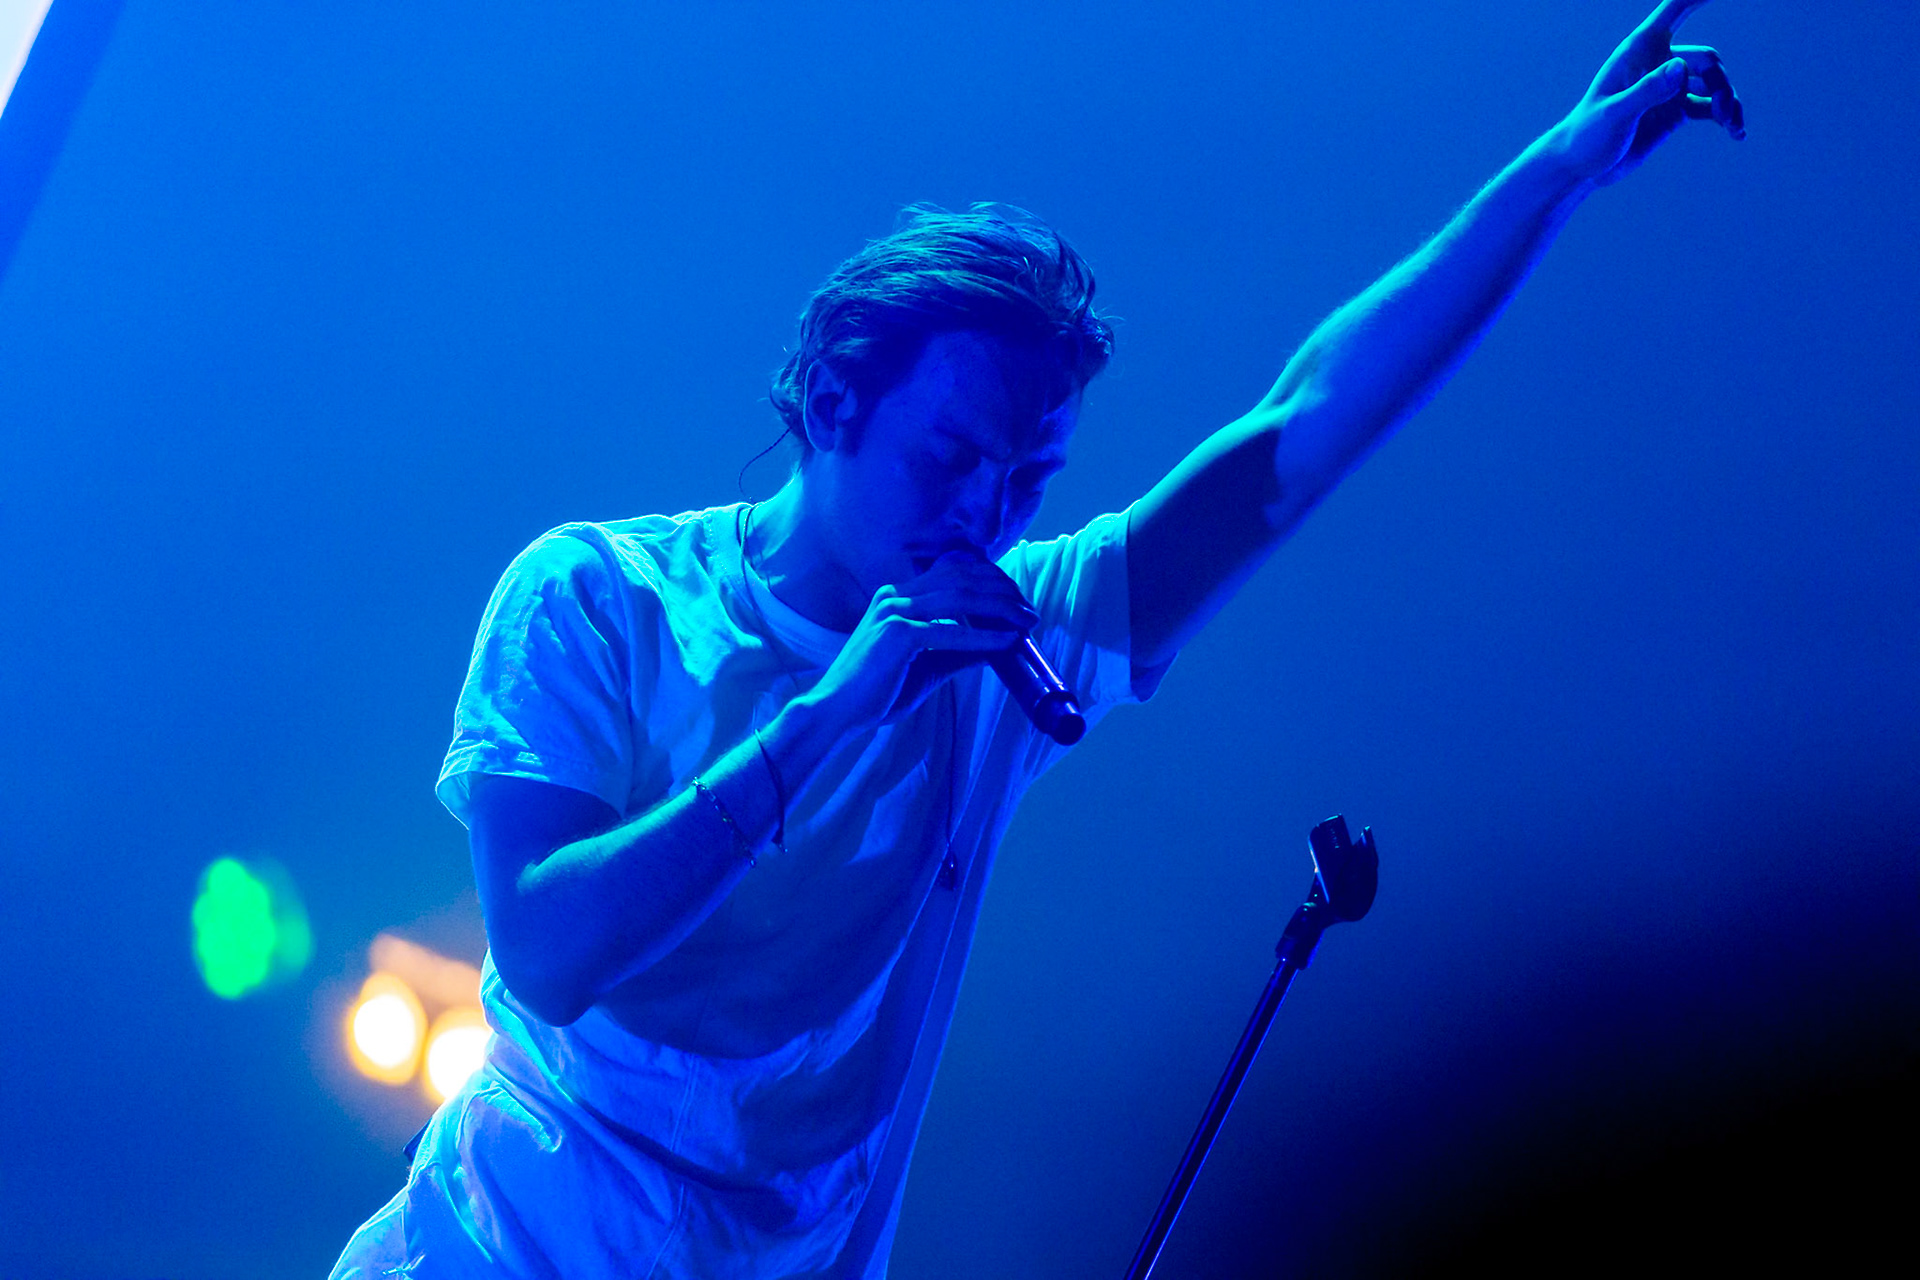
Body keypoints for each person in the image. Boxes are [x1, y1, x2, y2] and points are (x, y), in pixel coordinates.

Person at [331, 3, 1744, 1275]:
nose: (988, 516)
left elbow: (1298, 435)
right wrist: (836, 710)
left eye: (1027, 481)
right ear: (833, 403)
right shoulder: (598, 599)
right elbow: (550, 948)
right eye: (950, 459)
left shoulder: (1022, 641)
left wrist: (1557, 170)